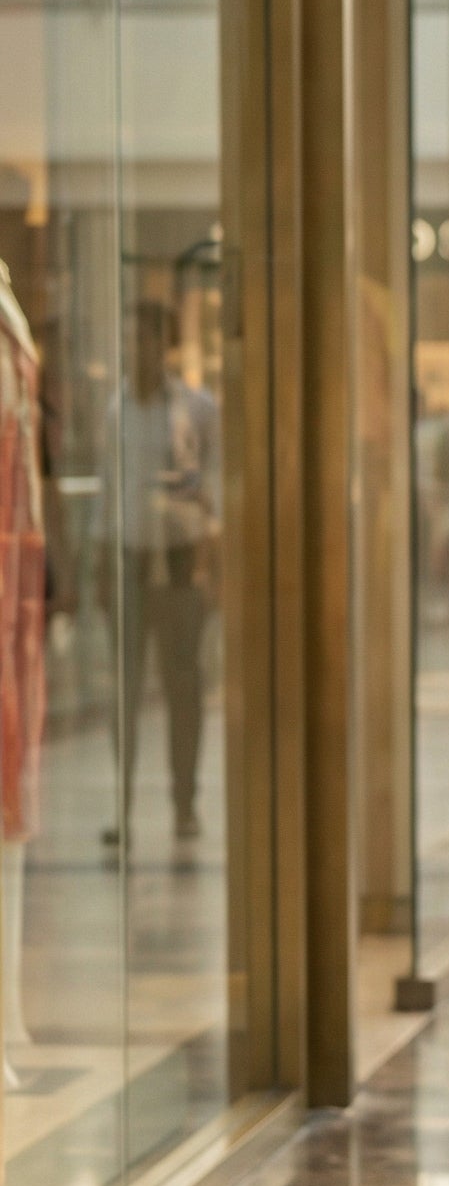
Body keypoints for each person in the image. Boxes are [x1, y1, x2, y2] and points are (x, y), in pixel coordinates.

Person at [98, 301, 220, 848]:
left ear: (162, 346)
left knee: (183, 687)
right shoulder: (115, 409)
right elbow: (107, 493)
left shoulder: (195, 407)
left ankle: (184, 801)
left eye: (145, 339)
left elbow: (215, 487)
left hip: (178, 559)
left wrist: (209, 559)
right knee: (124, 690)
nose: (137, 350)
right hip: (129, 556)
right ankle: (121, 804)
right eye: (130, 339)